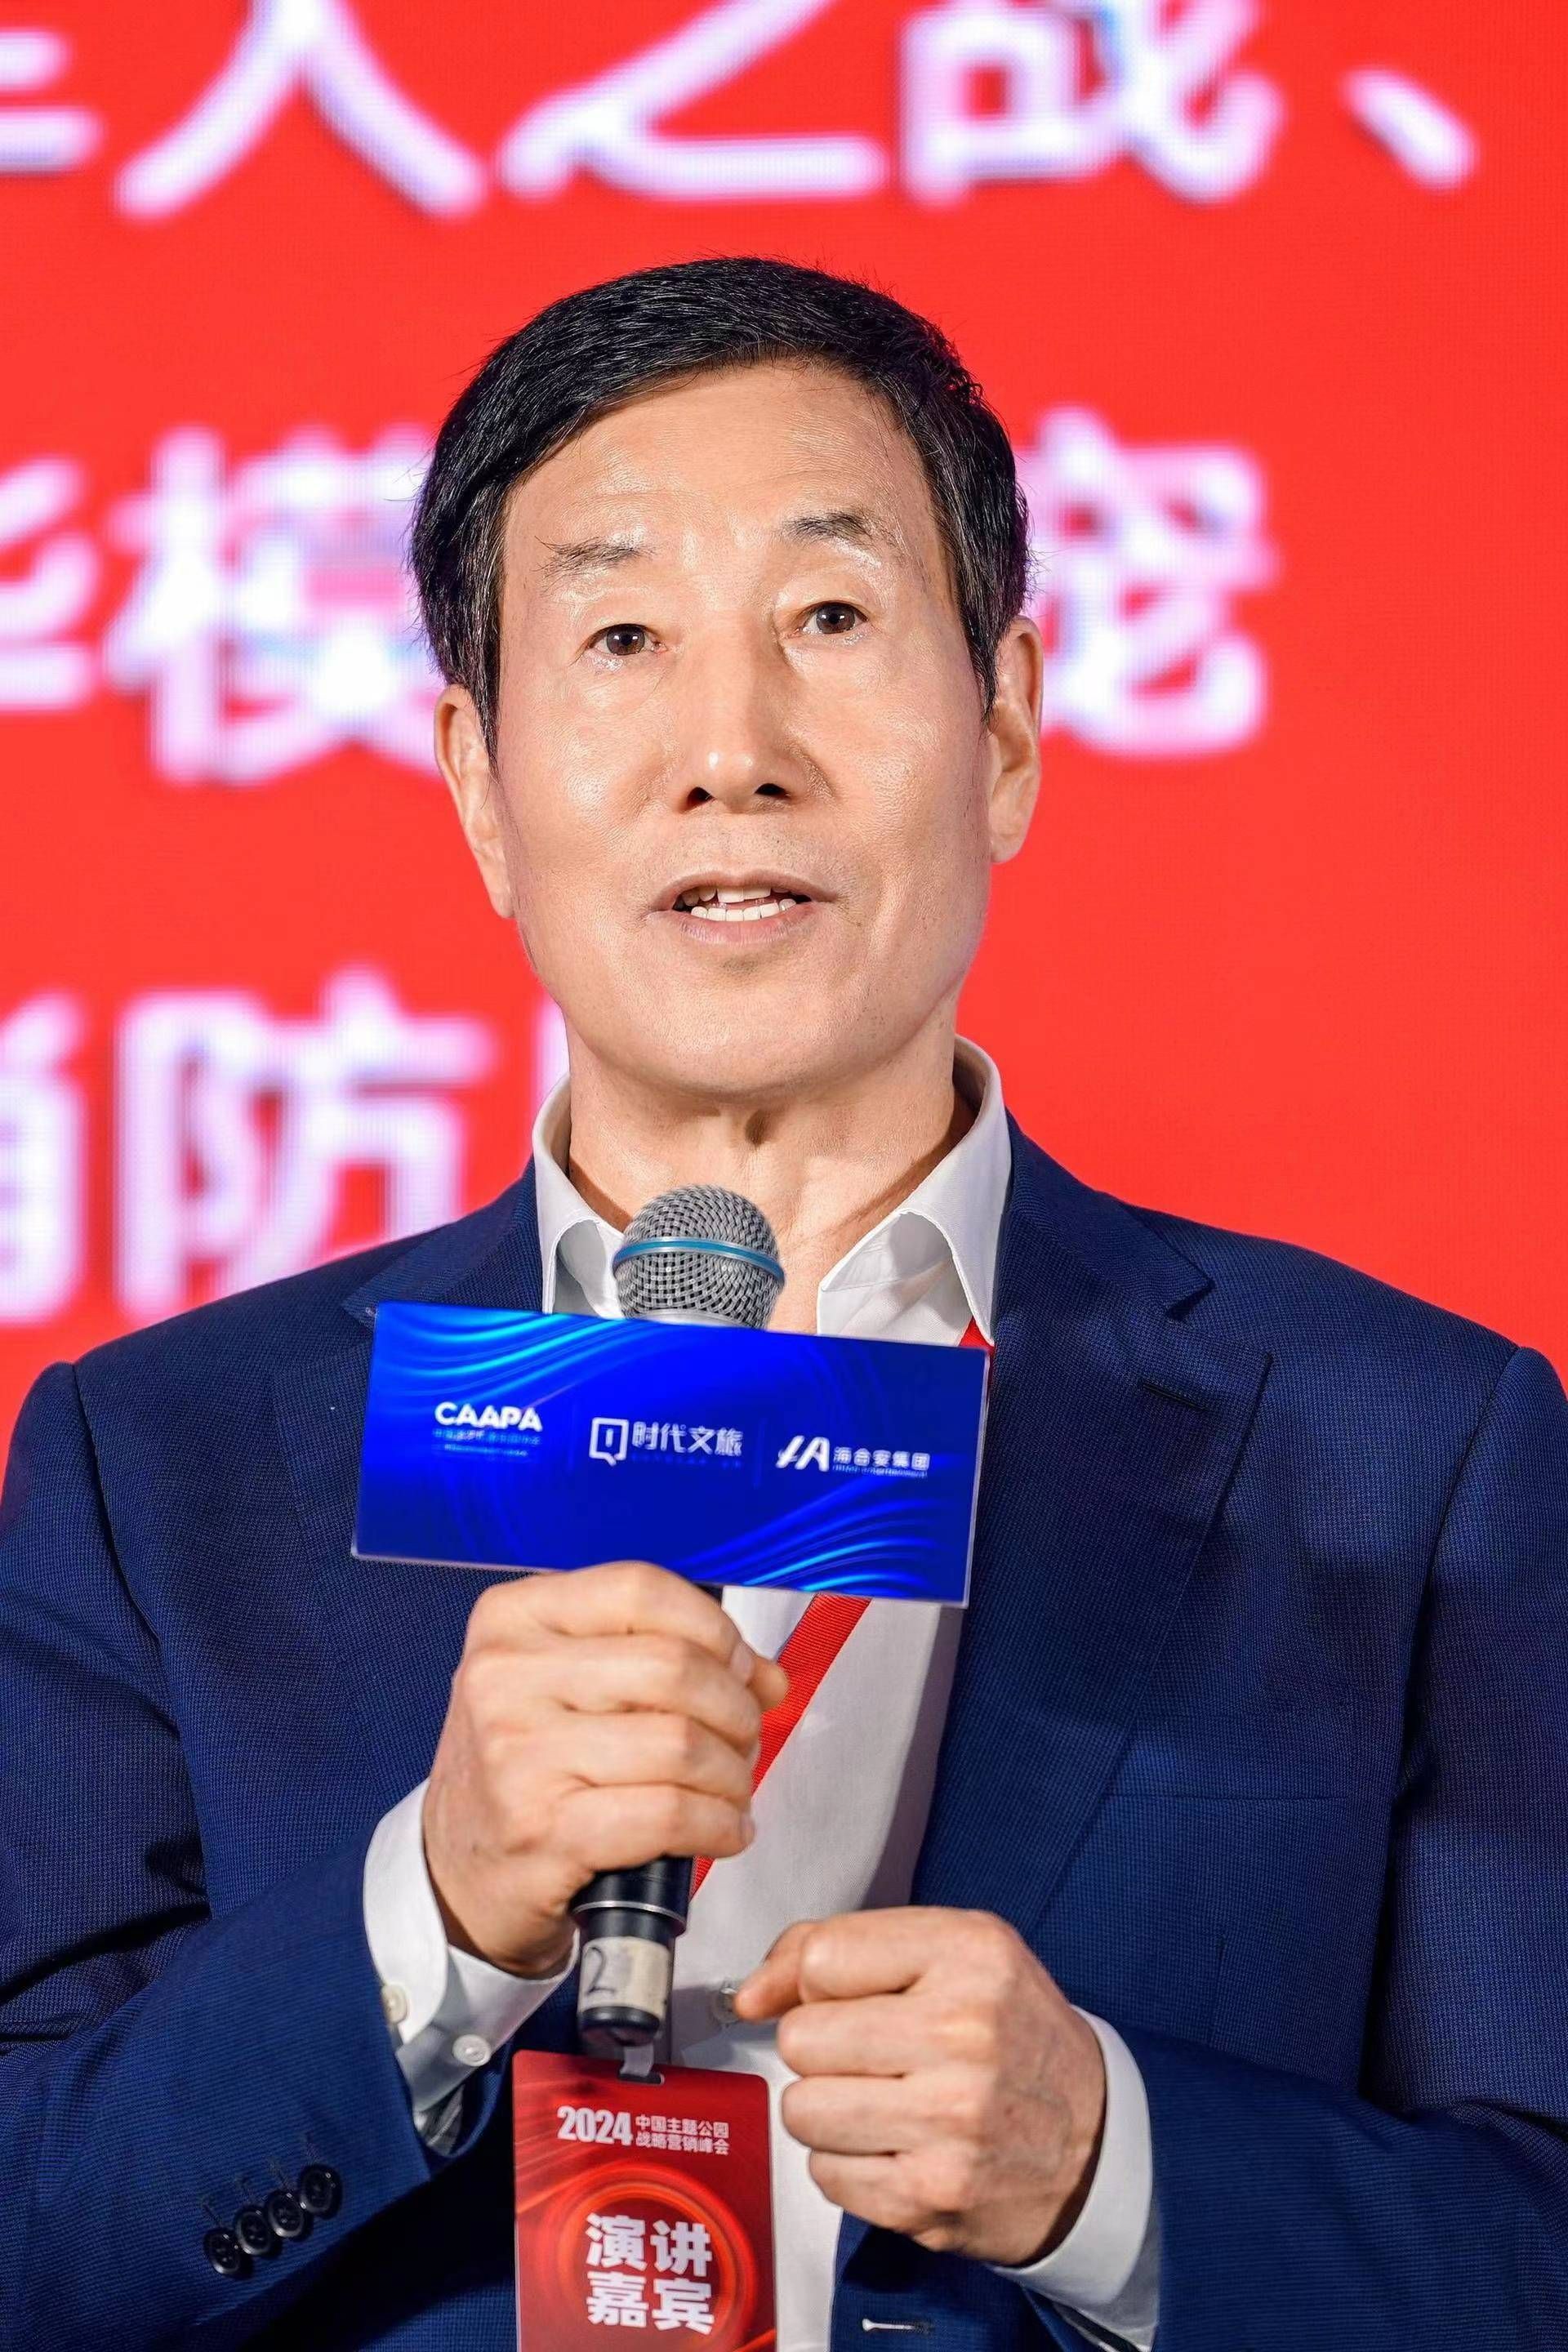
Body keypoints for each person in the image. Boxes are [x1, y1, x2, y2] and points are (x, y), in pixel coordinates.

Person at [2, 256, 1565, 2352]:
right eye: (622, 638)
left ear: (1004, 733)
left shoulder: (1411, 1454)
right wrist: (429, 1915)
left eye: (829, 619)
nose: (731, 752)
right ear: (477, 783)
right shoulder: (159, 1465)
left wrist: (1113, 2168)